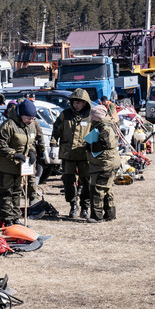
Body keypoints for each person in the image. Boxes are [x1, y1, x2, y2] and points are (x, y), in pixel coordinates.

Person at [0, 99, 39, 226]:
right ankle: (7, 220)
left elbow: (31, 143)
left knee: (17, 192)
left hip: (19, 167)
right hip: (4, 165)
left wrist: (33, 152)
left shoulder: (31, 126)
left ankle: (16, 218)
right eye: (28, 118)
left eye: (33, 118)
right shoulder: (9, 125)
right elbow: (0, 144)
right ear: (21, 114)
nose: (31, 121)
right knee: (6, 193)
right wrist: (14, 154)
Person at [50, 88, 92, 219]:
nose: (76, 105)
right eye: (74, 102)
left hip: (85, 155)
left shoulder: (91, 116)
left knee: (86, 182)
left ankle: (85, 207)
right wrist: (53, 145)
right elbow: (56, 130)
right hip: (68, 154)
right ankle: (73, 205)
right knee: (68, 181)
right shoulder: (65, 115)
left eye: (79, 103)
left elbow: (97, 133)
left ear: (85, 103)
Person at [86, 104, 121, 222]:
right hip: (108, 162)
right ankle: (110, 214)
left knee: (98, 189)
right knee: (107, 189)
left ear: (97, 117)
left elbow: (103, 144)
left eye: (92, 117)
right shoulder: (106, 125)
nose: (91, 119)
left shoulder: (104, 128)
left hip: (105, 164)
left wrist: (89, 145)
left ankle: (97, 216)